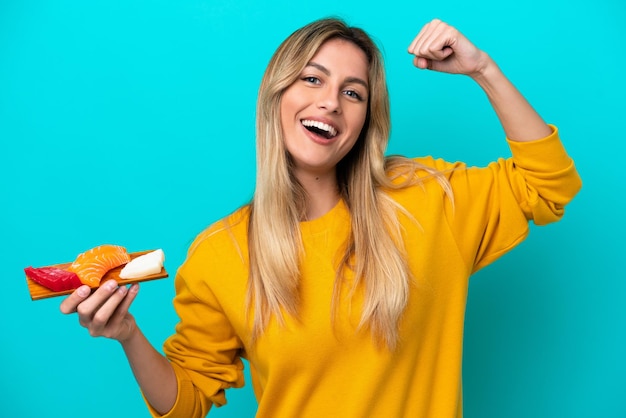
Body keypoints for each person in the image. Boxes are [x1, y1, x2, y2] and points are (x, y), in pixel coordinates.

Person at [60, 17, 581, 418]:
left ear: (365, 121)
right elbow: (189, 398)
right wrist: (127, 333)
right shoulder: (221, 254)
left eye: (353, 93)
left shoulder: (424, 199)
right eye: (312, 79)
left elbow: (549, 182)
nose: (331, 102)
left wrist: (482, 69)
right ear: (277, 95)